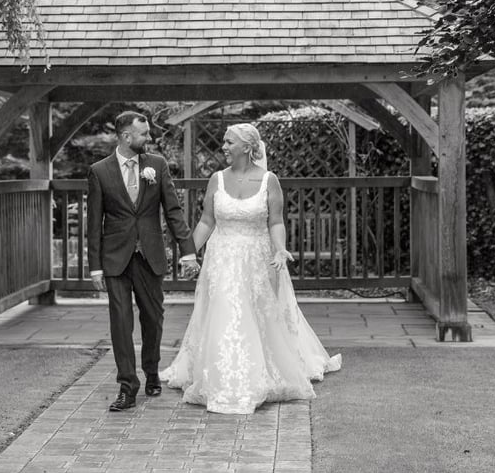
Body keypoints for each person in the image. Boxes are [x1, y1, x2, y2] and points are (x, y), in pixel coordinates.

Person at [161, 123, 341, 414]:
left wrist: (280, 249)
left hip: (257, 260)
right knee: (224, 310)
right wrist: (189, 254)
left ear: (247, 147)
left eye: (229, 142)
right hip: (222, 259)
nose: (223, 147)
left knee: (256, 315)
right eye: (223, 141)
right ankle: (223, 377)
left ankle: (258, 373)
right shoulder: (217, 179)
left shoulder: (269, 180)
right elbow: (207, 221)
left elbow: (276, 221)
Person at [87, 111, 200, 412]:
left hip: (150, 256)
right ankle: (127, 386)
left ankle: (151, 371)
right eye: (144, 133)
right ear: (126, 137)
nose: (149, 137)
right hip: (116, 259)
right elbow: (94, 222)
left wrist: (188, 251)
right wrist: (95, 266)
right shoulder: (99, 171)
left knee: (153, 318)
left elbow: (173, 211)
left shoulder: (157, 165)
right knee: (120, 323)